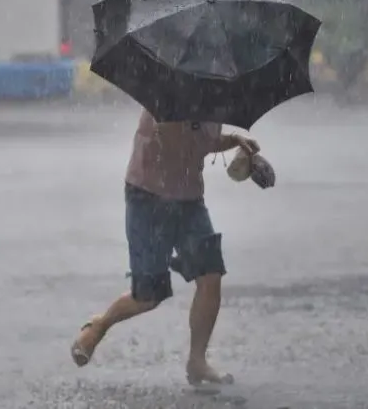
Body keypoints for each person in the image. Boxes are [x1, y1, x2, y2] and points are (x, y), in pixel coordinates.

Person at [70, 110, 259, 386]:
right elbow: (172, 141)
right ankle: (100, 325)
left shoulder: (212, 90)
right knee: (148, 295)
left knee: (210, 276)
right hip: (147, 195)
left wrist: (235, 141)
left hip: (189, 199)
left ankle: (197, 361)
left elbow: (203, 142)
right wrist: (206, 132)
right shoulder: (166, 92)